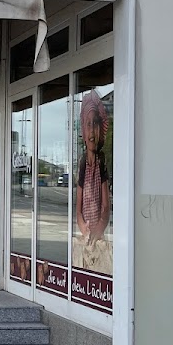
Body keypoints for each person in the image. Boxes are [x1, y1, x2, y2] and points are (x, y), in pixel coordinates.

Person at [74, 90, 113, 274]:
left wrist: (98, 230)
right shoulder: (83, 164)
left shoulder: (101, 162)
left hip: (99, 234)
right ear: (83, 129)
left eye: (95, 124)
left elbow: (105, 207)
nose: (91, 130)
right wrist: (84, 228)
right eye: (88, 124)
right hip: (86, 235)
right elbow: (78, 208)